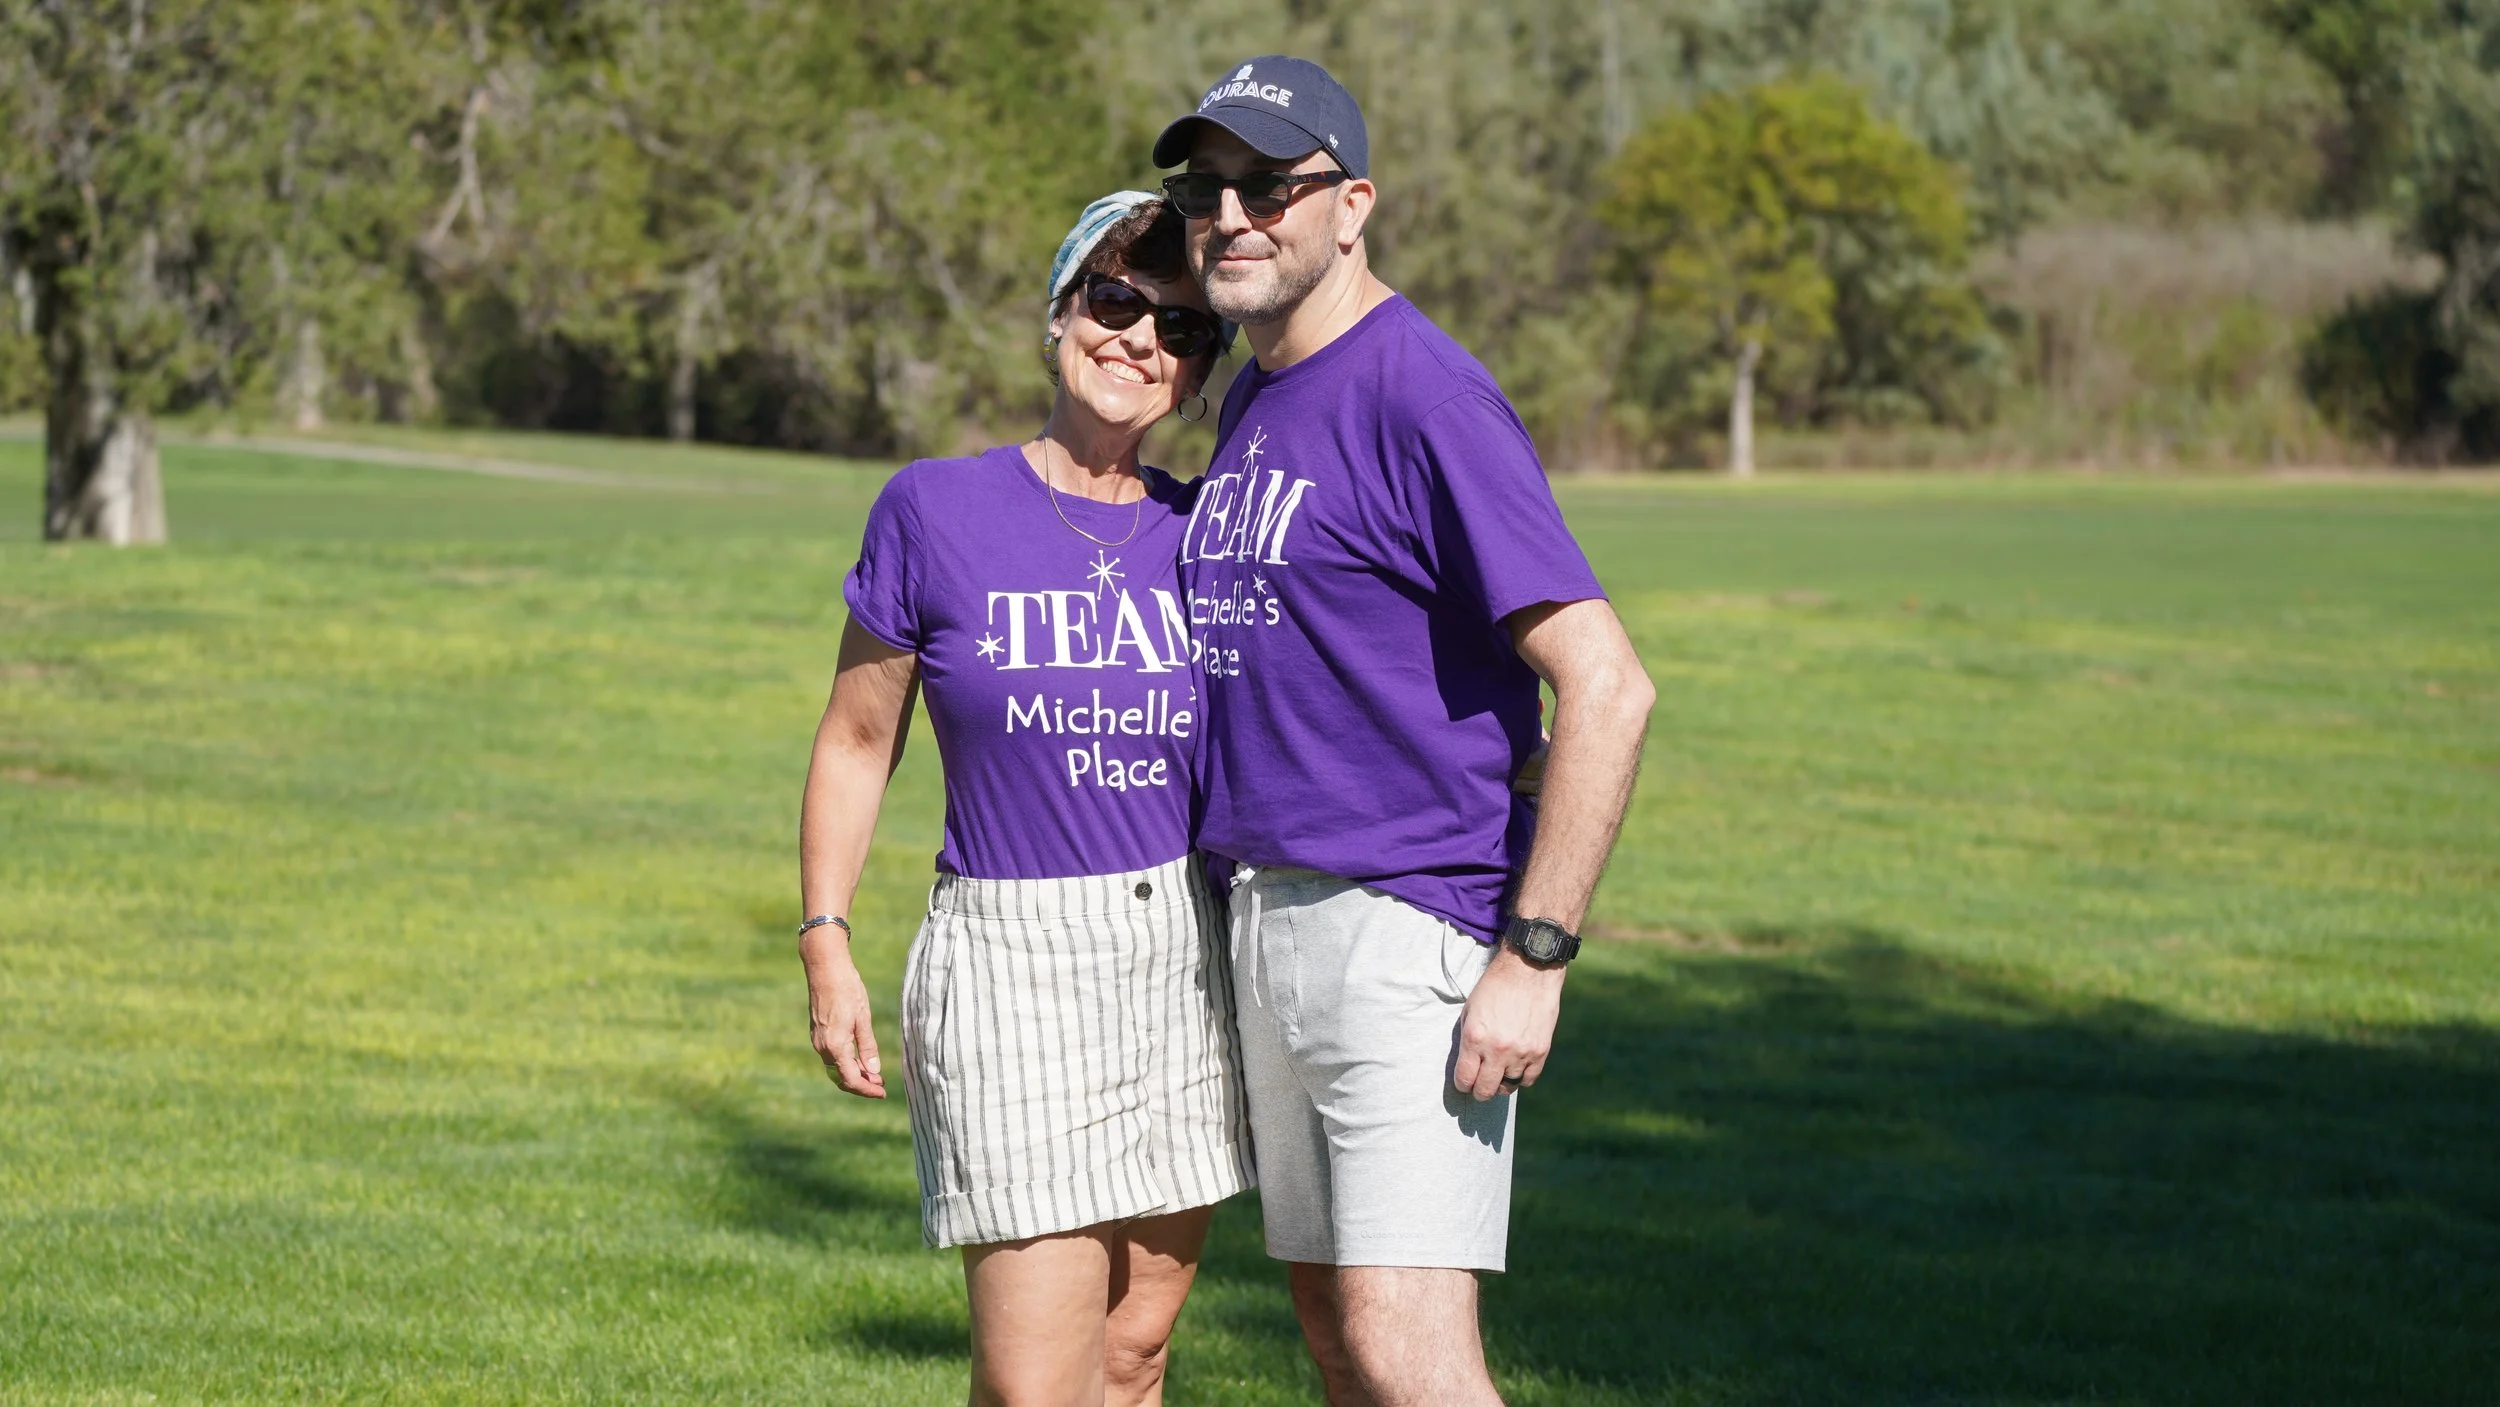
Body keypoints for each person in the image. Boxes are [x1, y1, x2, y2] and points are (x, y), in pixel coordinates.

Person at [1153, 57, 1657, 1405]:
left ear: (1353, 203)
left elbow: (1606, 684)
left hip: (1405, 933)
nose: (1233, 217)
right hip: (1269, 913)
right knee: (1335, 1340)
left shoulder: (1423, 394)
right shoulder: (1259, 392)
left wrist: (1533, 951)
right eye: (1207, 191)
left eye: (1272, 187)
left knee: (1407, 1349)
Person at [795, 192, 1251, 1407]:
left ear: (1202, 372)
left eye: (1183, 328)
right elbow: (854, 738)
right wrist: (826, 940)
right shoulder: (934, 509)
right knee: (1034, 1385)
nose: (1140, 340)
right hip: (1012, 963)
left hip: (1182, 963)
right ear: (1060, 313)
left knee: (1134, 1355)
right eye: (1115, 301)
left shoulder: (1206, 536)